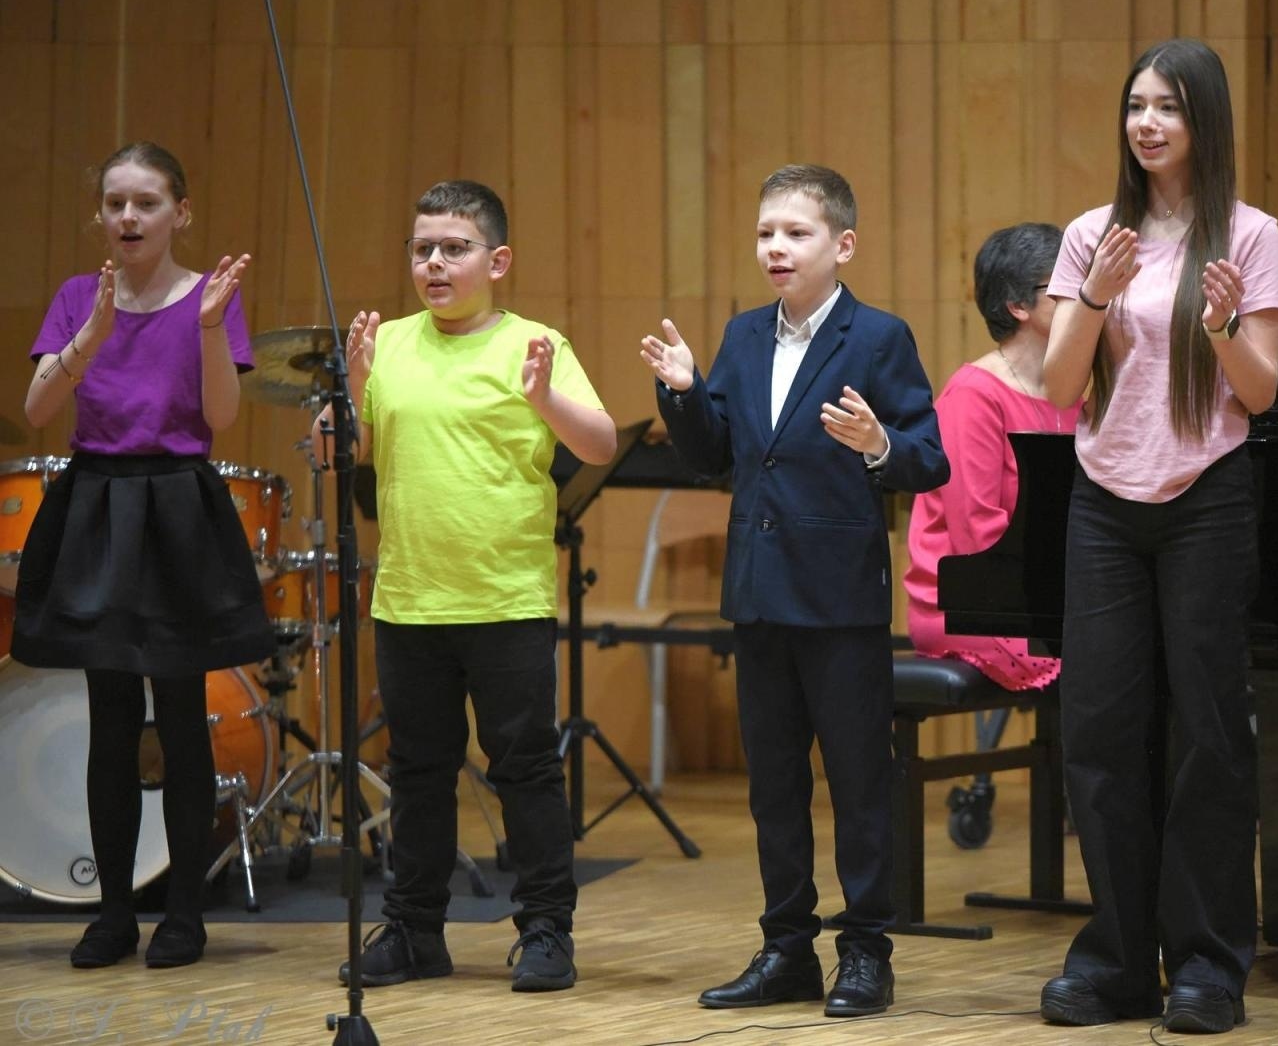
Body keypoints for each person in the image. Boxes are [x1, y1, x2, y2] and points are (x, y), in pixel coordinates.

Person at [640, 164, 947, 1017]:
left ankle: (865, 952)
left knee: (857, 780)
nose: (776, 247)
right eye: (766, 232)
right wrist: (683, 394)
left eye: (796, 233)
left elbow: (929, 458)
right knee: (773, 783)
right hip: (759, 593)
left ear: (841, 245)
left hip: (841, 597)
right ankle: (786, 948)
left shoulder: (879, 338)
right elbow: (714, 455)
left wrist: (882, 442)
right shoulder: (742, 337)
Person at [1037, 39, 1278, 1034]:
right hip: (1103, 501)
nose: (1145, 123)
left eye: (1167, 108)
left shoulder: (1251, 234)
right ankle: (1114, 958)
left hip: (1206, 499)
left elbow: (1260, 393)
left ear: (1204, 122)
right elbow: (1058, 388)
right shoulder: (1091, 234)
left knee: (1208, 739)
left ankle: (1207, 963)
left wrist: (1224, 327)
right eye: (1136, 105)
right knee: (1098, 733)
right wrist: (1094, 292)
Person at [332, 180, 616, 993]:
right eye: (422, 248)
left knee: (524, 769)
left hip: (506, 598)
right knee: (417, 771)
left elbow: (597, 445)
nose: (433, 263)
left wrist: (543, 397)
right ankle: (416, 931)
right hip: (410, 598)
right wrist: (351, 388)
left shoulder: (535, 343)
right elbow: (343, 453)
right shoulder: (386, 343)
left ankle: (545, 932)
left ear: (497, 261)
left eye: (452, 248)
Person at [13, 141, 274, 969]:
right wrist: (90, 334)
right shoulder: (74, 298)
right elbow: (37, 407)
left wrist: (203, 330)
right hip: (97, 503)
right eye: (116, 203)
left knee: (182, 719)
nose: (129, 217)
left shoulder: (210, 298)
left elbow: (223, 417)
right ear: (101, 214)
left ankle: (185, 915)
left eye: (147, 203)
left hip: (177, 505)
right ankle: (114, 914)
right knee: (111, 719)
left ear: (180, 213)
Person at [904, 221, 1080, 691]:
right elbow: (975, 532)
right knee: (1101, 669)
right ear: (1018, 305)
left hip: (1048, 597)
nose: (1085, 297)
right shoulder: (973, 395)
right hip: (971, 604)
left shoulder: (1077, 392)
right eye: (1066, 287)